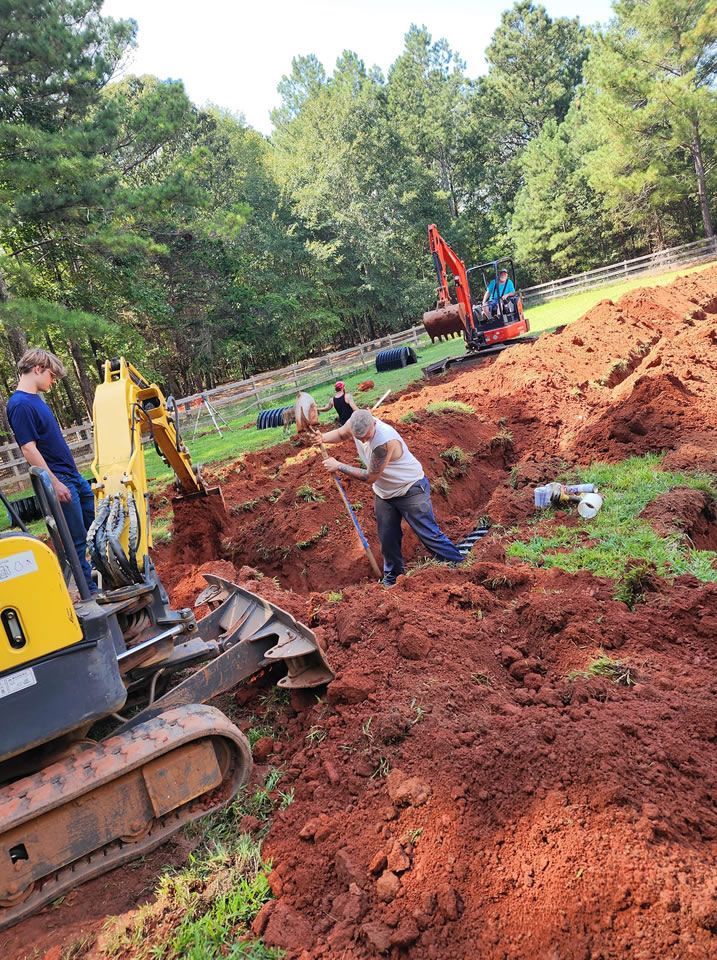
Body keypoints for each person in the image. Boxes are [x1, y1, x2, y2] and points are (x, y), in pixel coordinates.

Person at [313, 409, 464, 586]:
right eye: (359, 437)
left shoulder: (383, 441)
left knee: (428, 533)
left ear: (373, 423)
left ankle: (458, 564)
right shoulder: (355, 423)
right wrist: (322, 438)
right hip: (384, 493)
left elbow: (370, 476)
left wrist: (338, 465)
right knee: (388, 538)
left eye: (366, 437)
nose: (363, 441)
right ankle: (393, 578)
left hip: (410, 488)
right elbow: (340, 434)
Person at [7, 348, 96, 594]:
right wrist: (54, 483)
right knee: (76, 539)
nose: (53, 381)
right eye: (52, 375)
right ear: (38, 369)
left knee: (95, 529)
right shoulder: (20, 405)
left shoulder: (35, 400)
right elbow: (29, 449)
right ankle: (89, 592)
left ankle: (108, 576)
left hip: (73, 476)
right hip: (60, 479)